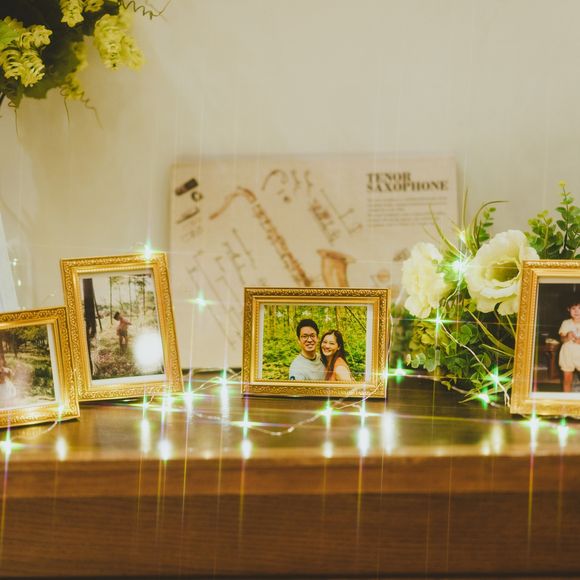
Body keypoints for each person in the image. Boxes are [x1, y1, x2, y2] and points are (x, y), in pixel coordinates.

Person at [558, 298, 580, 392]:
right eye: (573, 308)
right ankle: (566, 398)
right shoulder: (566, 323)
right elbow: (561, 339)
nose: (576, 311)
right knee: (567, 379)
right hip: (567, 355)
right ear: (568, 309)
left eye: (579, 308)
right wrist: (567, 337)